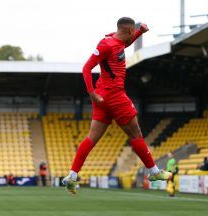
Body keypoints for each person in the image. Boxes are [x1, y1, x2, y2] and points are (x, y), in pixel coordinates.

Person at [62, 17, 171, 194]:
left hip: (103, 95)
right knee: (136, 134)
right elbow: (87, 68)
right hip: (114, 96)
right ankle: (154, 172)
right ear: (128, 31)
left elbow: (123, 47)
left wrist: (140, 33)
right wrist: (91, 93)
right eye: (133, 32)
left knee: (91, 138)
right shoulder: (107, 45)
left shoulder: (115, 41)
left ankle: (72, 177)